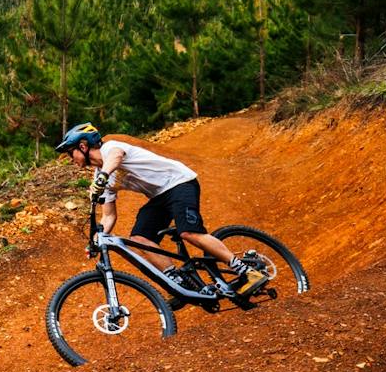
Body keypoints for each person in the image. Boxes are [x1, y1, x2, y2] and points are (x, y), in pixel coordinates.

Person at [53, 122, 265, 297]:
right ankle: (181, 283)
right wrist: (99, 239)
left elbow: (116, 157)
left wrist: (103, 176)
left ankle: (245, 270)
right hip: (159, 197)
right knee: (139, 238)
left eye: (71, 154)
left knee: (189, 232)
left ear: (83, 146)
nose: (71, 160)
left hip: (180, 183)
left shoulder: (110, 149)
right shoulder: (102, 176)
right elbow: (109, 215)